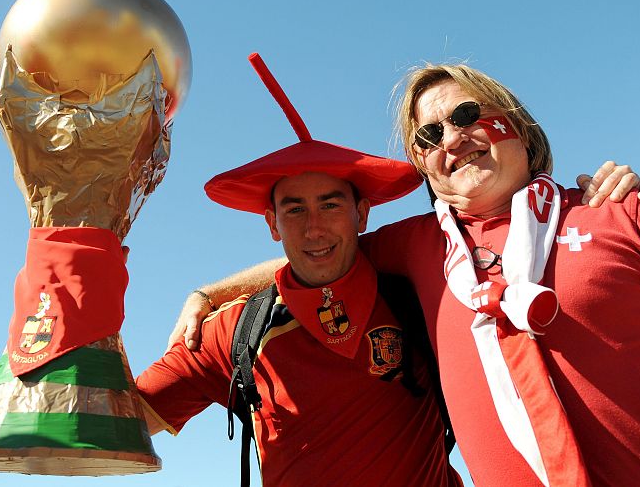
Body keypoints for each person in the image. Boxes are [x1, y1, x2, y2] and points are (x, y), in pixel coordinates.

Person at [174, 63, 640, 486]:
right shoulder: (419, 246)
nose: (451, 139)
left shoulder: (623, 213)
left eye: (467, 114)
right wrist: (208, 292)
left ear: (519, 125)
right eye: (429, 136)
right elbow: (321, 250)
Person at [136, 54, 463, 486]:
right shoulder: (232, 331)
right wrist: (78, 288)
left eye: (330, 205)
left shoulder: (420, 286)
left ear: (362, 215)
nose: (314, 228)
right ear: (272, 224)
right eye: (294, 210)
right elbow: (119, 420)